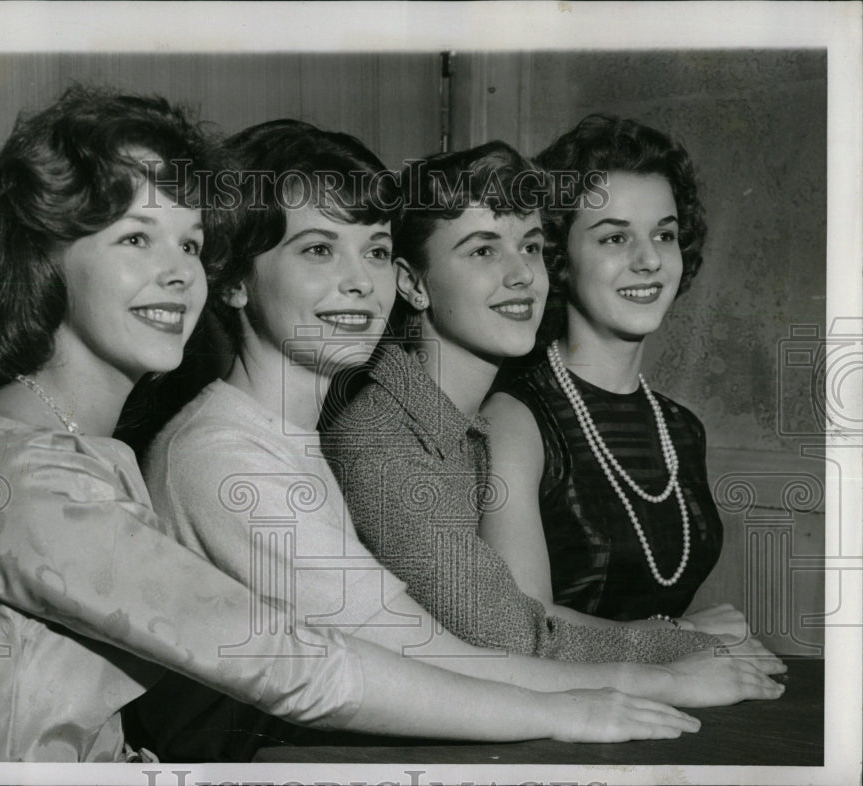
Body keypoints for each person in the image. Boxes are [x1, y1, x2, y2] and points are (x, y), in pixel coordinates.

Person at [0, 89, 704, 764]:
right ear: (43, 258)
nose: (178, 272)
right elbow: (297, 666)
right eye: (137, 237)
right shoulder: (24, 470)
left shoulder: (74, 447)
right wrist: (596, 702)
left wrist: (622, 684)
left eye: (191, 241)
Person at [138, 122, 783, 759]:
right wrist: (661, 670)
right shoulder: (244, 451)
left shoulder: (335, 433)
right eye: (317, 250)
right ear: (233, 280)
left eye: (376, 250)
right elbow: (433, 645)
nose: (361, 281)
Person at [322, 141, 780, 660]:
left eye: (532, 247)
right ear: (412, 283)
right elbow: (513, 635)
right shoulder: (383, 438)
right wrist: (684, 639)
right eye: (483, 250)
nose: (523, 275)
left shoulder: (461, 420)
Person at [481, 115, 737, 633]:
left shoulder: (681, 429)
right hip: (558, 708)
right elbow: (522, 631)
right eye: (614, 239)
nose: (649, 260)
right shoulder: (515, 421)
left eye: (663, 235)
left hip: (664, 704)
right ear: (558, 258)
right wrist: (684, 639)